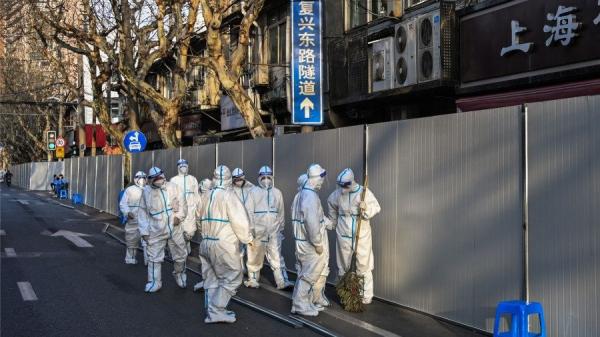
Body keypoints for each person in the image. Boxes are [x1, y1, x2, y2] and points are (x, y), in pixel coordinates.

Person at [197, 165, 254, 323]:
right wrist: (248, 239)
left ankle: (210, 311)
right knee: (233, 277)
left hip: (206, 242)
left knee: (211, 276)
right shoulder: (230, 196)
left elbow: (198, 218)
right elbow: (240, 221)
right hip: (223, 244)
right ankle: (216, 309)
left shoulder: (205, 195)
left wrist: (205, 234)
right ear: (229, 179)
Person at [327, 168, 381, 304]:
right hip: (343, 233)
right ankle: (345, 293)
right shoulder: (336, 194)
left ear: (351, 183)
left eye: (344, 185)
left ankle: (365, 295)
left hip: (361, 233)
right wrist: (332, 222)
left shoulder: (364, 192)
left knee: (363, 264)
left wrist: (366, 208)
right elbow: (331, 205)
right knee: (343, 265)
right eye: (340, 185)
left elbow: (377, 207)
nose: (342, 188)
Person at [137, 166, 188, 292]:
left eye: (160, 177)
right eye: (155, 179)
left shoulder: (173, 187)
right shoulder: (147, 192)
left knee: (180, 255)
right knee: (154, 257)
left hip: (174, 228)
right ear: (150, 180)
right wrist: (144, 232)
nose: (158, 180)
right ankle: (154, 282)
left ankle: (179, 274)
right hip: (156, 229)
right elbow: (142, 212)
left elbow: (183, 204)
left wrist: (179, 217)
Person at [291, 164, 332, 316]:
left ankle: (305, 302)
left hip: (302, 241)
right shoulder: (309, 196)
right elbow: (311, 222)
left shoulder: (304, 195)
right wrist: (317, 243)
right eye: (321, 178)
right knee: (309, 274)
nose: (322, 181)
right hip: (309, 244)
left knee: (305, 272)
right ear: (316, 178)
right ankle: (300, 304)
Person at [244, 166, 294, 290]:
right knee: (254, 256)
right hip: (257, 232)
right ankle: (253, 279)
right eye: (263, 177)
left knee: (277, 256)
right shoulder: (253, 192)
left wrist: (280, 228)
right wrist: (251, 229)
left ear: (272, 178)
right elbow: (248, 211)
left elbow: (281, 212)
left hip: (273, 231)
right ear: (259, 178)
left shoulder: (277, 193)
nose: (266, 180)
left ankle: (282, 281)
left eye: (268, 177)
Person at [170, 159, 200, 255]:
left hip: (191, 210)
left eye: (185, 166)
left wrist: (198, 207)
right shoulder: (173, 180)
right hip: (178, 210)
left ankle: (185, 247)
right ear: (178, 167)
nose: (183, 168)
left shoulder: (193, 179)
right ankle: (182, 254)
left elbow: (197, 194)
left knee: (189, 233)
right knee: (178, 233)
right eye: (181, 166)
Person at [119, 171, 147, 264]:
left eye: (143, 178)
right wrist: (127, 212)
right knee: (132, 239)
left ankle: (149, 261)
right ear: (136, 179)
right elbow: (123, 203)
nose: (142, 180)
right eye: (140, 178)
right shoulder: (130, 190)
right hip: (133, 218)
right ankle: (130, 258)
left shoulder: (149, 190)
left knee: (148, 240)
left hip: (146, 219)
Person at [193, 178, 213, 292]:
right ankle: (209, 282)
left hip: (207, 236)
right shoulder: (217, 197)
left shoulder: (202, 199)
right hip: (213, 236)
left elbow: (198, 218)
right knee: (209, 261)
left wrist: (202, 232)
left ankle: (208, 282)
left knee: (207, 261)